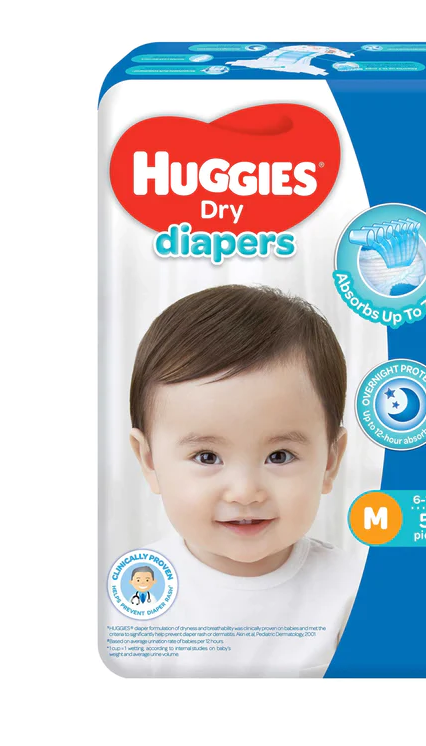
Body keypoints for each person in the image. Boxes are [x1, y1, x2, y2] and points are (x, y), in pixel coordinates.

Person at [127, 284, 359, 677]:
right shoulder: (131, 594)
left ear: (330, 461)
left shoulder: (353, 593)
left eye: (279, 456)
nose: (245, 492)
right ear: (149, 461)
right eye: (207, 457)